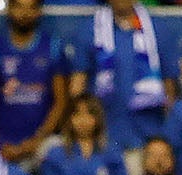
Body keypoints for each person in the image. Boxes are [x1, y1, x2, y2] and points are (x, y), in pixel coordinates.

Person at [71, 0, 171, 151]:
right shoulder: (91, 29)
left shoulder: (156, 29)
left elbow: (169, 91)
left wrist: (165, 140)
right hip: (103, 141)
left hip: (148, 139)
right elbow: (77, 88)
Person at [0, 0, 69, 165]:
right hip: (1, 146)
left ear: (39, 11)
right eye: (19, 6)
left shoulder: (53, 47)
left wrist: (38, 140)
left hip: (42, 145)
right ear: (9, 9)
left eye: (31, 7)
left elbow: (61, 101)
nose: (25, 13)